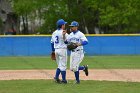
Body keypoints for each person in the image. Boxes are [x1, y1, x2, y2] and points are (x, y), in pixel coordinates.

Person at [51, 19, 68, 84]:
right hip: (62, 50)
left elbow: (52, 42)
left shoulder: (54, 32)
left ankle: (56, 77)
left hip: (56, 50)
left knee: (59, 65)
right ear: (62, 25)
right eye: (64, 24)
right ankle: (64, 80)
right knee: (63, 65)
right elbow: (67, 41)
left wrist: (53, 51)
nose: (65, 25)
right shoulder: (63, 32)